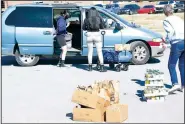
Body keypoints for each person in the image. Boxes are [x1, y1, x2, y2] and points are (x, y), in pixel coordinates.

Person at [163, 5, 184, 93]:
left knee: (171, 65)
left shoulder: (166, 20)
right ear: (172, 11)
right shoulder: (179, 18)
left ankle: (175, 84)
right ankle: (183, 85)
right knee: (182, 65)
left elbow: (170, 32)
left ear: (165, 12)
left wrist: (166, 41)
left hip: (176, 43)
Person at [82, 7, 106, 72]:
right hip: (97, 35)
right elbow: (103, 27)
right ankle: (101, 67)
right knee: (99, 51)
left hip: (89, 35)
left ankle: (90, 67)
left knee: (90, 51)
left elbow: (83, 28)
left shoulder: (86, 19)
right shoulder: (99, 18)